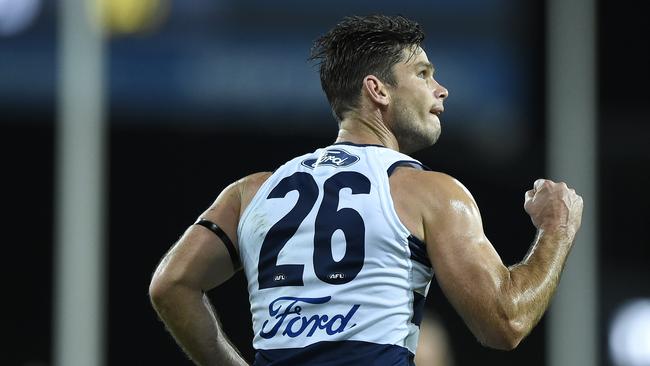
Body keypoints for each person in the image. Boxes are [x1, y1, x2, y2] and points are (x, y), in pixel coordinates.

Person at [148, 15, 583, 366]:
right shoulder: (429, 193)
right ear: (377, 90)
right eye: (423, 73)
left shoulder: (251, 192)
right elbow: (504, 323)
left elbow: (171, 285)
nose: (440, 88)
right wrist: (556, 229)